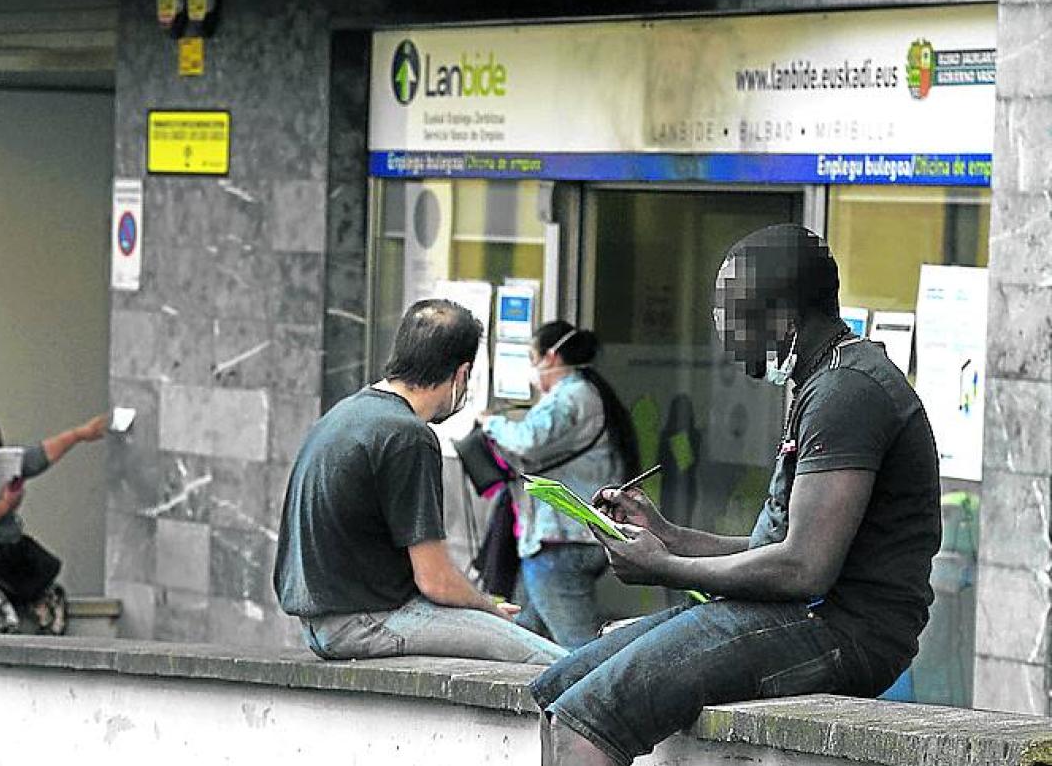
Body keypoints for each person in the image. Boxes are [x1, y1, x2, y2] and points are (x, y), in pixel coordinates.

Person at [534, 224, 941, 765]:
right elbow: (774, 549)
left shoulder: (848, 392)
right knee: (557, 691)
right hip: (799, 612)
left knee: (589, 719)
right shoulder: (825, 383)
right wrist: (669, 537)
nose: (727, 341)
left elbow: (803, 569)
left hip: (841, 629)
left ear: (782, 316)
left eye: (733, 319)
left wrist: (666, 568)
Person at [274, 299, 567, 664]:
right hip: (368, 620)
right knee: (553, 663)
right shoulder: (408, 436)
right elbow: (436, 580)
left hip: (322, 622)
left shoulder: (347, 412)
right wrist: (487, 606)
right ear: (462, 375)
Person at [478, 322, 638, 649]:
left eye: (532, 358)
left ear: (550, 358)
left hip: (560, 542)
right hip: (571, 540)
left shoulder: (572, 394)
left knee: (578, 649)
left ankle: (601, 696)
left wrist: (491, 423)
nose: (532, 370)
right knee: (526, 637)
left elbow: (528, 440)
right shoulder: (591, 393)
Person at [0, 413, 106, 635]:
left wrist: (80, 434)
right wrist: (5, 505)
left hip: (1, 558)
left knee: (53, 607)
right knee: (2, 624)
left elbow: (36, 458)